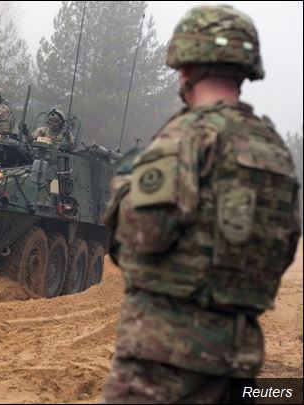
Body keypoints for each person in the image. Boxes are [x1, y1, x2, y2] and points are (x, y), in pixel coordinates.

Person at [100, 5, 301, 403]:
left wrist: (125, 189)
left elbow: (141, 239)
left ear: (186, 67)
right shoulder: (274, 151)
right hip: (239, 358)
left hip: (165, 358)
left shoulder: (186, 138)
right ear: (244, 69)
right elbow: (283, 247)